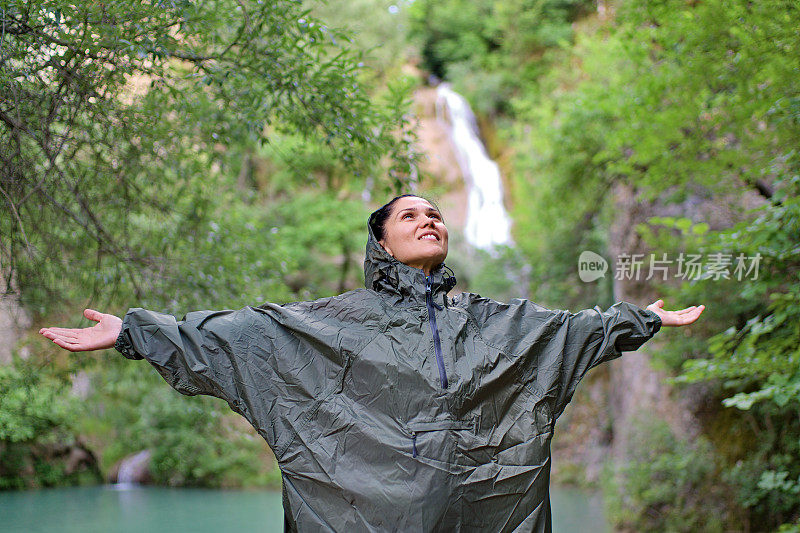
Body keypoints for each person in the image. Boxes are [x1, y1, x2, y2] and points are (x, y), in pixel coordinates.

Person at [40, 194, 704, 532]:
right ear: (380, 240)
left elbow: (574, 330)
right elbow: (233, 336)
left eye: (437, 214)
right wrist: (135, 331)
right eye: (411, 214)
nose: (431, 220)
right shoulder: (328, 325)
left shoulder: (495, 322)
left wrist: (642, 317)